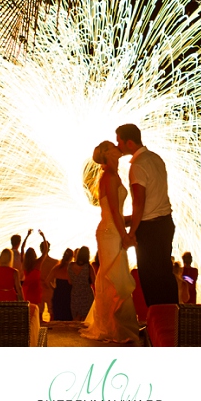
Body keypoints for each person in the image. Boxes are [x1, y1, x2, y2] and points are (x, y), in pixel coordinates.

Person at [81, 140, 139, 343]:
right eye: (113, 145)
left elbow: (116, 212)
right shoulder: (109, 177)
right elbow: (114, 211)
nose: (118, 146)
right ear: (108, 153)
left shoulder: (114, 176)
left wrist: (135, 219)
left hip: (111, 229)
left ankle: (114, 323)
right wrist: (125, 235)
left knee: (114, 276)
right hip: (110, 232)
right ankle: (113, 325)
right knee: (114, 277)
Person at [116, 123, 178, 306]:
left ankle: (155, 321)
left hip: (149, 228)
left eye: (118, 141)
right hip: (166, 223)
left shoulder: (138, 165)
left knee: (149, 278)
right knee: (165, 274)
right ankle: (173, 318)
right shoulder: (156, 158)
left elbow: (139, 202)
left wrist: (131, 232)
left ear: (129, 143)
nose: (117, 145)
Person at [68, 246, 95, 321]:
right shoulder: (88, 267)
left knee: (76, 317)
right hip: (86, 294)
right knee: (86, 319)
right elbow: (94, 281)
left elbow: (70, 281)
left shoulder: (70, 266)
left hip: (75, 293)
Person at [47, 248, 73, 321]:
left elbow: (47, 281)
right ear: (71, 257)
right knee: (68, 317)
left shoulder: (57, 268)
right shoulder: (71, 269)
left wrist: (54, 288)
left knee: (58, 316)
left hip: (58, 294)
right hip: (68, 295)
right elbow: (71, 282)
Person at [37, 234, 58, 319]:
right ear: (48, 249)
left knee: (39, 311)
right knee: (51, 311)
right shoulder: (55, 262)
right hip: (50, 288)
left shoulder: (36, 262)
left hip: (39, 289)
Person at [21, 247, 43, 317]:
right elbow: (45, 252)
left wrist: (26, 237)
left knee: (28, 310)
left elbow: (22, 250)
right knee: (36, 310)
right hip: (35, 289)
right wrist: (43, 237)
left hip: (27, 289)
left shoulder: (25, 263)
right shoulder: (37, 263)